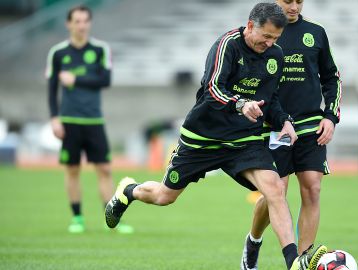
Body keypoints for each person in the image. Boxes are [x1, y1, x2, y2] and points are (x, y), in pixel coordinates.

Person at [104, 3, 326, 270]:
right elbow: (212, 89)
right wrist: (241, 104)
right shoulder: (227, 45)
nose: (269, 43)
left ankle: (293, 262)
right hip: (203, 138)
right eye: (265, 36)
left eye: (275, 39)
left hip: (244, 140)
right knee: (164, 196)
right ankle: (129, 191)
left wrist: (283, 121)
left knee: (275, 189)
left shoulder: (275, 55)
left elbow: (272, 98)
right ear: (251, 25)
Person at [240, 1, 342, 269]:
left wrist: (330, 117)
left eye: (299, 0)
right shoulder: (264, 33)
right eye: (288, 0)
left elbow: (332, 78)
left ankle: (303, 261)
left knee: (313, 189)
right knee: (276, 192)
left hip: (311, 126)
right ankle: (254, 239)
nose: (294, 6)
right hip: (275, 126)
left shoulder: (316, 33)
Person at [45, 5, 133, 234]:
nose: (81, 25)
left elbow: (105, 80)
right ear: (69, 24)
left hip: (94, 121)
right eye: (77, 21)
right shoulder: (58, 53)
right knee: (72, 170)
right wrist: (54, 118)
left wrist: (75, 80)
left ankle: (111, 220)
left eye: (85, 21)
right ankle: (77, 218)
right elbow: (52, 88)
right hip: (69, 121)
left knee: (104, 169)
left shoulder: (101, 49)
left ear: (89, 23)